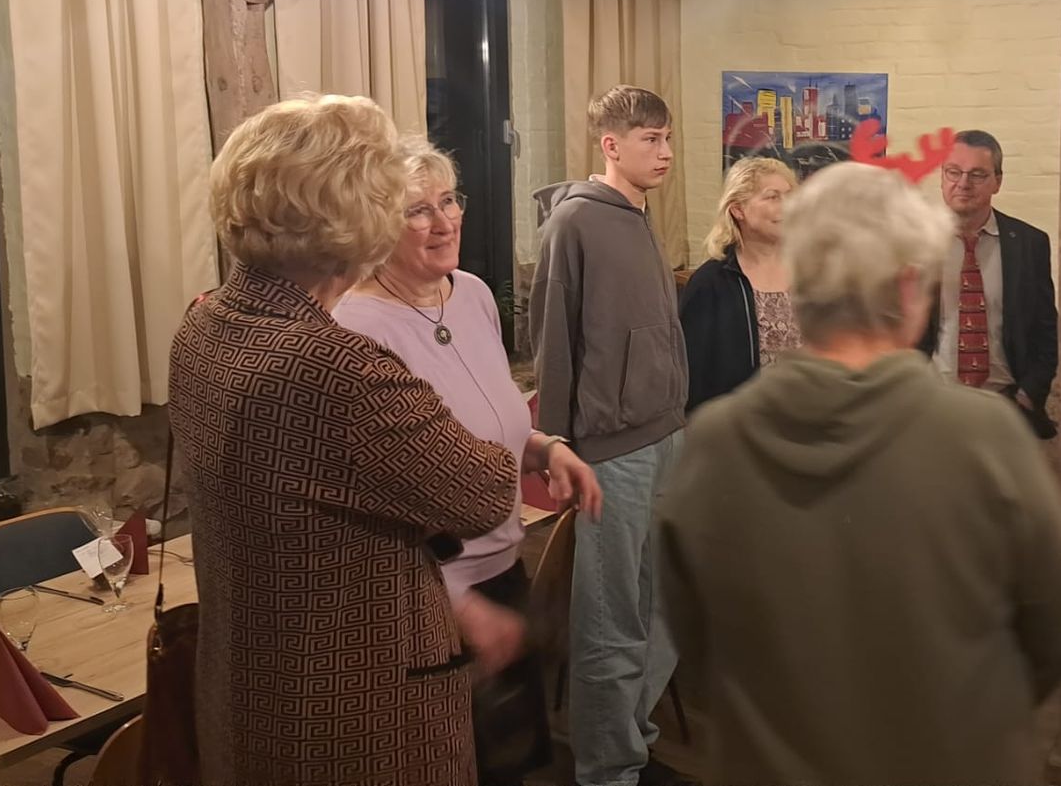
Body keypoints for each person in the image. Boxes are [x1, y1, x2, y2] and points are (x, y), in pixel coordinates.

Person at [657, 162, 1061, 786]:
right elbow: (1052, 637)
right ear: (911, 288)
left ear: (802, 282)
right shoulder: (984, 437)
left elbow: (696, 652)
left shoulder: (716, 443)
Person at [168, 94, 520, 786]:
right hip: (357, 707)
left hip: (250, 682)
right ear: (357, 221)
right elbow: (484, 492)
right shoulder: (340, 366)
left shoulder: (203, 323)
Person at [333, 136, 603, 786]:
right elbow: (371, 501)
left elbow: (490, 418)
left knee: (512, 768)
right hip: (430, 601)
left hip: (503, 573)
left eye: (449, 200)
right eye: (417, 210)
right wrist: (457, 603)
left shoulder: (473, 292)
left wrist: (544, 448)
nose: (444, 220)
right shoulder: (355, 328)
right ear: (374, 226)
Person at [529, 85, 693, 786]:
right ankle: (607, 770)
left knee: (664, 609)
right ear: (610, 144)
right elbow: (552, 339)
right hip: (611, 451)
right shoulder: (575, 221)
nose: (665, 151)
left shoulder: (640, 215)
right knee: (609, 621)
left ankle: (633, 741)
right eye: (650, 138)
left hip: (665, 435)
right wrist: (556, 445)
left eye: (666, 137)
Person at [918, 130, 1061, 438]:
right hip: (929, 407)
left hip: (1004, 409)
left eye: (977, 174)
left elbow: (1045, 330)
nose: (963, 183)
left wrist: (1027, 396)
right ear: (942, 177)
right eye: (953, 172)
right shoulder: (914, 241)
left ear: (998, 181)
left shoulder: (1028, 244)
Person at [679, 157, 800, 412]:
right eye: (773, 197)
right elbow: (693, 375)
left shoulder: (812, 272)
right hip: (743, 424)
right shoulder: (711, 283)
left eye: (790, 195)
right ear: (738, 210)